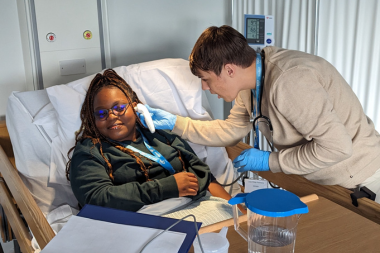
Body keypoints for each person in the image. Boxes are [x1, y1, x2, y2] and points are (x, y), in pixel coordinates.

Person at [139, 25, 380, 203]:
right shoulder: (251, 83)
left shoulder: (290, 82)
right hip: (329, 181)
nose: (205, 88)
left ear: (229, 70)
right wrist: (174, 123)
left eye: (206, 79)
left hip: (363, 181)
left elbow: (337, 148)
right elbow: (230, 130)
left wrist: (269, 161)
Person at [66, 69, 243, 213]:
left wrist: (236, 213)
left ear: (134, 105)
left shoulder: (160, 135)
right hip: (141, 223)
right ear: (93, 118)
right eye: (102, 113)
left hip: (197, 208)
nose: (112, 116)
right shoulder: (90, 150)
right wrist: (167, 187)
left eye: (119, 108)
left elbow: (204, 176)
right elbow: (97, 199)